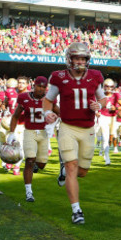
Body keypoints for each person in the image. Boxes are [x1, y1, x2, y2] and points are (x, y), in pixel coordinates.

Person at [43, 42, 106, 225]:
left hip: (88, 128)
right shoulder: (59, 77)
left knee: (83, 171)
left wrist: (99, 105)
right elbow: (48, 100)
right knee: (72, 166)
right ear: (69, 59)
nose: (80, 61)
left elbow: (103, 98)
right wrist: (48, 113)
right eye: (77, 58)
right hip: (68, 126)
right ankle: (76, 210)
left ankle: (64, 171)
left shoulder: (95, 76)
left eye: (83, 58)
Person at [9, 76, 55, 202]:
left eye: (43, 87)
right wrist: (11, 133)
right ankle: (29, 192)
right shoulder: (24, 97)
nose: (41, 89)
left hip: (44, 134)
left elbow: (59, 113)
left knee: (41, 164)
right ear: (34, 86)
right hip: (29, 131)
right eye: (39, 86)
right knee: (29, 160)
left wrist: (53, 124)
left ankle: (35, 162)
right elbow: (15, 116)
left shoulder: (50, 99)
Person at [98, 78, 119, 165]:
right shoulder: (100, 95)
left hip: (113, 117)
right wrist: (97, 112)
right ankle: (107, 157)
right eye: (107, 86)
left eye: (110, 86)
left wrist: (116, 108)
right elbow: (96, 105)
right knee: (105, 138)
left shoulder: (116, 95)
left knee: (113, 136)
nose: (109, 88)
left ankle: (104, 151)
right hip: (103, 117)